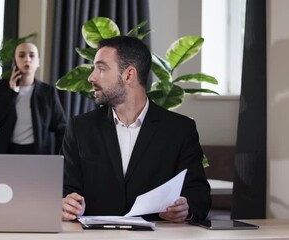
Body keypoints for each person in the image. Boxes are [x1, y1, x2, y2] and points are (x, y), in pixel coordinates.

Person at [61, 36, 211, 223]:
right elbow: (65, 189)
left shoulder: (180, 129)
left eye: (101, 68)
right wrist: (65, 204)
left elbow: (199, 194)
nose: (91, 77)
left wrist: (185, 207)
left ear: (129, 74)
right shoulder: (79, 128)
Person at [0, 42, 67, 154]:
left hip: (39, 155)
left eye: (32, 55)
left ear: (38, 62)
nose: (27, 59)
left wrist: (59, 157)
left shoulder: (48, 92)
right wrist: (11, 93)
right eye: (22, 55)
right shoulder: (1, 88)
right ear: (15, 60)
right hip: (7, 153)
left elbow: (61, 127)